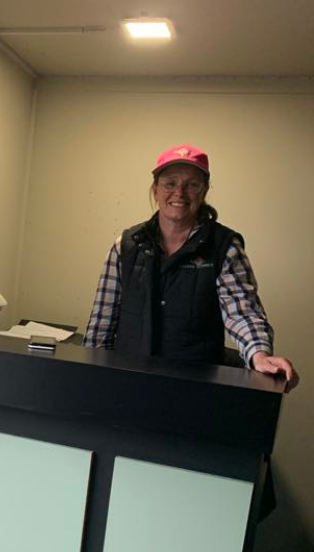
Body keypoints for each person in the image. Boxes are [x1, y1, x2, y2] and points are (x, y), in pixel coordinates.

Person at [84, 143, 299, 392]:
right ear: (155, 190)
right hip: (127, 384)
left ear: (205, 190)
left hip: (196, 390)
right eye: (170, 183)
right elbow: (102, 323)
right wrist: (90, 377)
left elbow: (242, 312)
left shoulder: (225, 247)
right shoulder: (126, 245)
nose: (180, 193)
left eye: (192, 184)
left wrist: (259, 355)